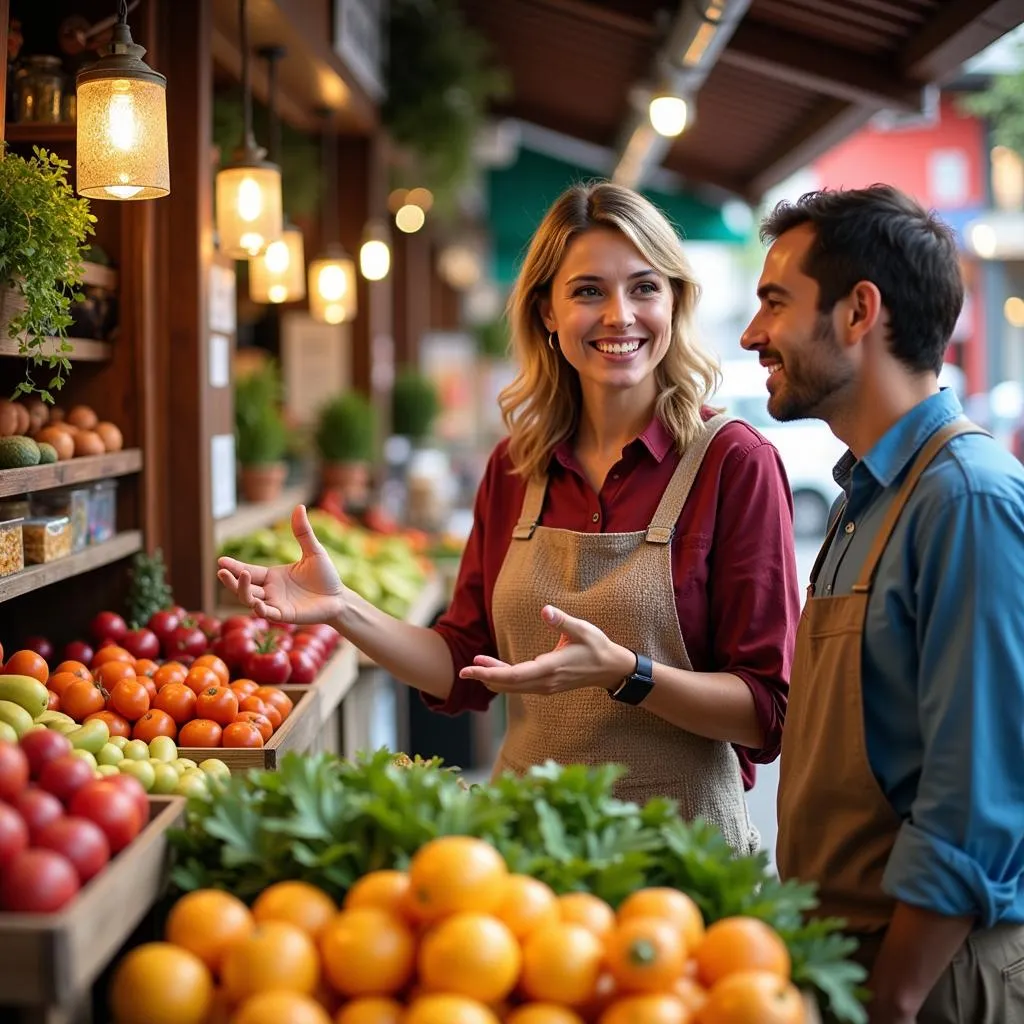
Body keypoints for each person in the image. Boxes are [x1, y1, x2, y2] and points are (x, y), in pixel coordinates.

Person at [218, 181, 801, 852]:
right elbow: (460, 662)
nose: (620, 315)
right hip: (523, 856)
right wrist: (344, 607)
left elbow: (764, 713)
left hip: (676, 860)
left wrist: (623, 671)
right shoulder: (515, 468)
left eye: (644, 288)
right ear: (546, 313)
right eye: (588, 291)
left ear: (674, 301)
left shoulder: (734, 463)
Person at [742, 184, 1024, 1023]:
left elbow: (978, 797)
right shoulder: (864, 496)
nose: (755, 334)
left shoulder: (967, 500)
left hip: (931, 975)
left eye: (775, 302)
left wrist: (893, 997)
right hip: (852, 965)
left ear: (859, 311)